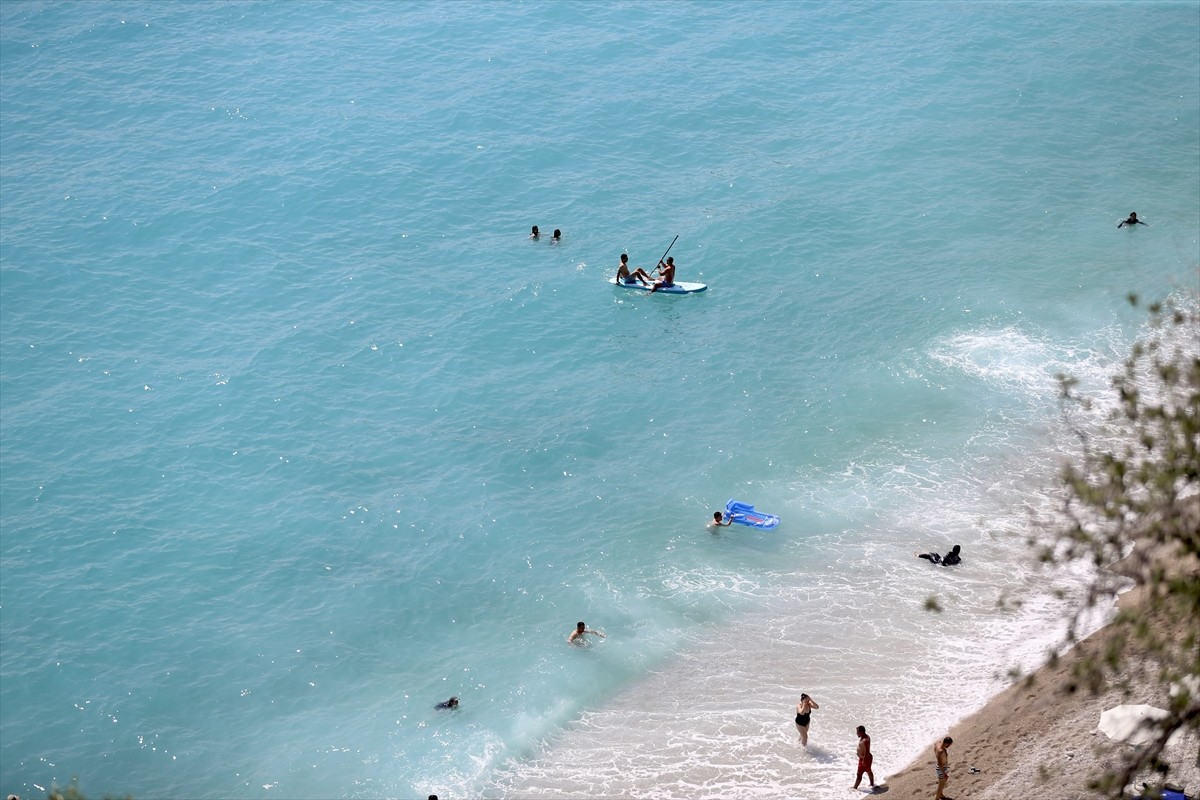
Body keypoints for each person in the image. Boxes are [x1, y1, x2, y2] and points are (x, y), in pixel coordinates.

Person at [854, 725, 876, 791]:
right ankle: (872, 784)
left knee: (859, 774)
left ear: (861, 732)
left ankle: (854, 788)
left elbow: (867, 751)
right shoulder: (864, 737)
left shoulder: (865, 740)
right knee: (868, 770)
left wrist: (863, 760)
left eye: (857, 732)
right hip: (866, 758)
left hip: (865, 759)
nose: (856, 733)